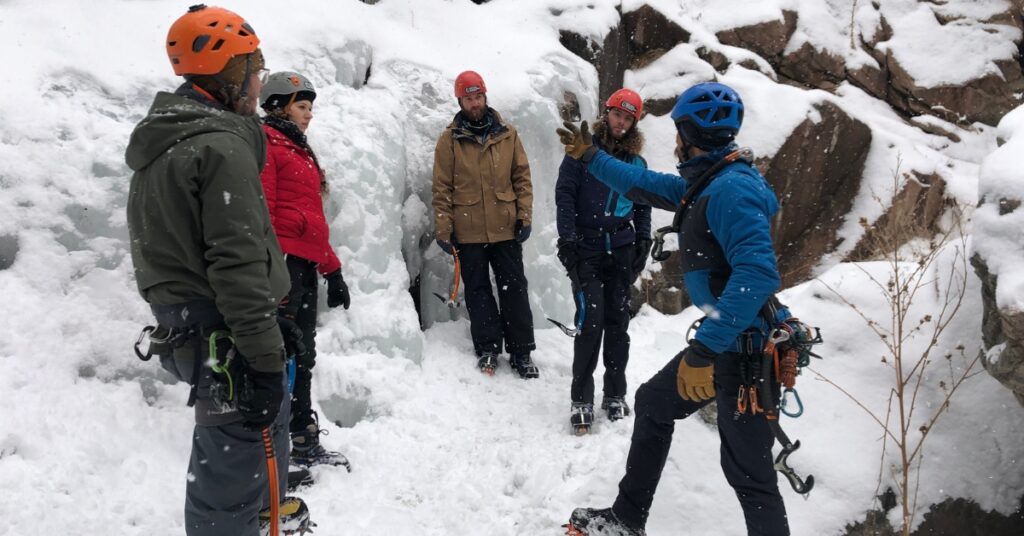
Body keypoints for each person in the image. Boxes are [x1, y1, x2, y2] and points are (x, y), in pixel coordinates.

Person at [557, 82, 792, 535]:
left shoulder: (730, 191)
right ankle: (628, 518)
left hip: (743, 353)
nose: (676, 143)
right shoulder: (709, 181)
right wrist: (589, 157)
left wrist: (705, 349)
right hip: (729, 342)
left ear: (689, 132)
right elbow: (643, 184)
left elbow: (757, 275)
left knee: (752, 477)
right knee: (653, 403)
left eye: (678, 133)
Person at [125, 5, 309, 534]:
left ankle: (263, 512)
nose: (259, 79)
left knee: (246, 448)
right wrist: (262, 349)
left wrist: (264, 329)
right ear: (229, 72)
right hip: (221, 332)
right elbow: (237, 260)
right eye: (253, 67)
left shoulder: (168, 142)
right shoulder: (219, 146)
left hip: (196, 324)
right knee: (231, 467)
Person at [259, 71, 352, 471]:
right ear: (279, 106)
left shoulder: (298, 148)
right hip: (281, 267)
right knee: (282, 355)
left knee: (303, 353)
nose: (309, 114)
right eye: (302, 106)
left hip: (302, 265)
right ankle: (276, 445)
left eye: (311, 107)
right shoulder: (266, 143)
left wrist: (333, 270)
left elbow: (311, 220)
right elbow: (262, 211)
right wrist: (272, 265)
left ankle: (300, 436)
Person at [555, 88, 652, 434]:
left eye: (628, 118)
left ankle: (615, 394)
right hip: (587, 249)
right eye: (617, 115)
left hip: (621, 249)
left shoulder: (636, 163)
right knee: (590, 321)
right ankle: (581, 398)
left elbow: (642, 203)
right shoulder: (583, 152)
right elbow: (564, 194)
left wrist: (643, 238)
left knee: (617, 324)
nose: (621, 123)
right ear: (606, 113)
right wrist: (567, 239)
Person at [431, 70, 538, 377]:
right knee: (478, 290)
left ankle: (521, 351)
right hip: (468, 229)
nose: (474, 103)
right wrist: (443, 227)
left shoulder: (507, 133)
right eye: (468, 98)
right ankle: (488, 348)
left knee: (514, 288)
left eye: (478, 97)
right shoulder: (449, 141)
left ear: (485, 96)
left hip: (506, 227)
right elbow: (442, 187)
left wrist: (525, 216)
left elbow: (522, 178)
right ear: (460, 100)